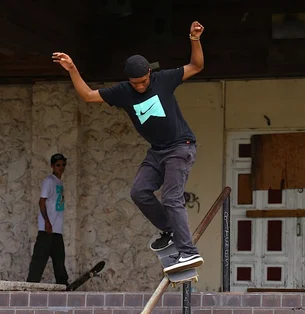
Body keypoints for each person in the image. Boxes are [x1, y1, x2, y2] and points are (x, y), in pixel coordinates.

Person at [52, 21, 205, 274]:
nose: (141, 86)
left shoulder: (163, 79)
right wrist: (72, 69)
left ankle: (188, 252)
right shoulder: (123, 92)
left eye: (144, 81)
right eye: (136, 83)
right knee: (139, 191)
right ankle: (169, 229)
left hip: (180, 147)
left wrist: (194, 38)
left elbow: (197, 66)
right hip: (157, 151)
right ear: (128, 80)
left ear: (149, 74)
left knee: (170, 196)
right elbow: (88, 96)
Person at [26, 154, 69, 285]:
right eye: (58, 165)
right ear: (52, 166)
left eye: (63, 165)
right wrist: (47, 222)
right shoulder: (49, 181)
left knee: (59, 259)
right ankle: (30, 286)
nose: (61, 168)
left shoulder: (59, 182)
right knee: (39, 260)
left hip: (57, 229)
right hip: (47, 229)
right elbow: (41, 202)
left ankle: (63, 285)